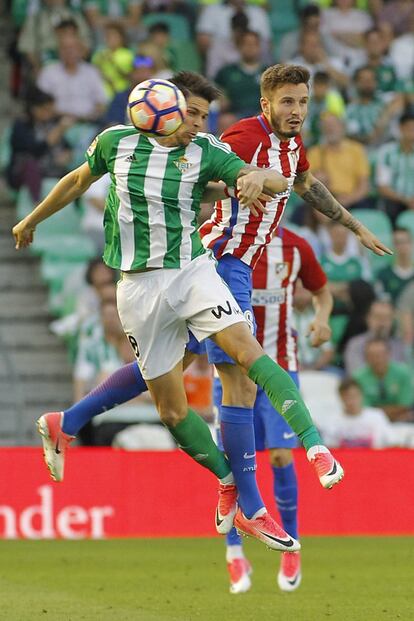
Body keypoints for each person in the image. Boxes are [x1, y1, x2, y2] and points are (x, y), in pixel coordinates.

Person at [13, 67, 389, 547]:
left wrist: (256, 181)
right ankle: (77, 425)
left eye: (202, 115)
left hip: (197, 271)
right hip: (156, 281)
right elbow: (76, 180)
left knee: (244, 365)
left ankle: (297, 464)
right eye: (189, 113)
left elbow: (284, 179)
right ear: (162, 108)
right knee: (171, 405)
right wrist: (31, 220)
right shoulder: (121, 143)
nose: (196, 123)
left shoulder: (210, 149)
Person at [215, 226, 333, 594]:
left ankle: (291, 544)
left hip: (280, 363)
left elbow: (322, 292)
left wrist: (322, 318)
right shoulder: (222, 241)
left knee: (282, 456)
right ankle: (234, 552)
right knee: (231, 462)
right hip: (231, 365)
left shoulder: (296, 246)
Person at [319, 378, 396, 449]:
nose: (351, 401)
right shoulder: (332, 421)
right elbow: (331, 448)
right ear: (341, 397)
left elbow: (392, 442)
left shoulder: (377, 416)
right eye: (347, 397)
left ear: (361, 395)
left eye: (354, 396)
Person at [352, 338, 414, 422]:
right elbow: (363, 409)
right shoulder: (358, 378)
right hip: (371, 422)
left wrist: (376, 411)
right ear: (366, 358)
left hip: (402, 419)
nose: (378, 359)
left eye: (381, 354)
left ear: (389, 354)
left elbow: (405, 405)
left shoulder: (403, 373)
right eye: (372, 355)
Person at [343, 299, 406, 374]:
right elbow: (355, 373)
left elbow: (405, 375)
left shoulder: (400, 345)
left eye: (386, 318)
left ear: (392, 321)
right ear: (368, 318)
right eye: (377, 317)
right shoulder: (355, 344)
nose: (382, 322)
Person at [376, 113, 414, 224]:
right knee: (391, 206)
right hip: (396, 201)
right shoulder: (387, 152)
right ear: (400, 128)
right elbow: (382, 186)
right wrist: (406, 200)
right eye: (409, 128)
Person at [376, 228, 414, 304]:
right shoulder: (384, 274)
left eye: (405, 242)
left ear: (411, 243)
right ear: (392, 246)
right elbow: (380, 302)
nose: (402, 246)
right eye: (398, 243)